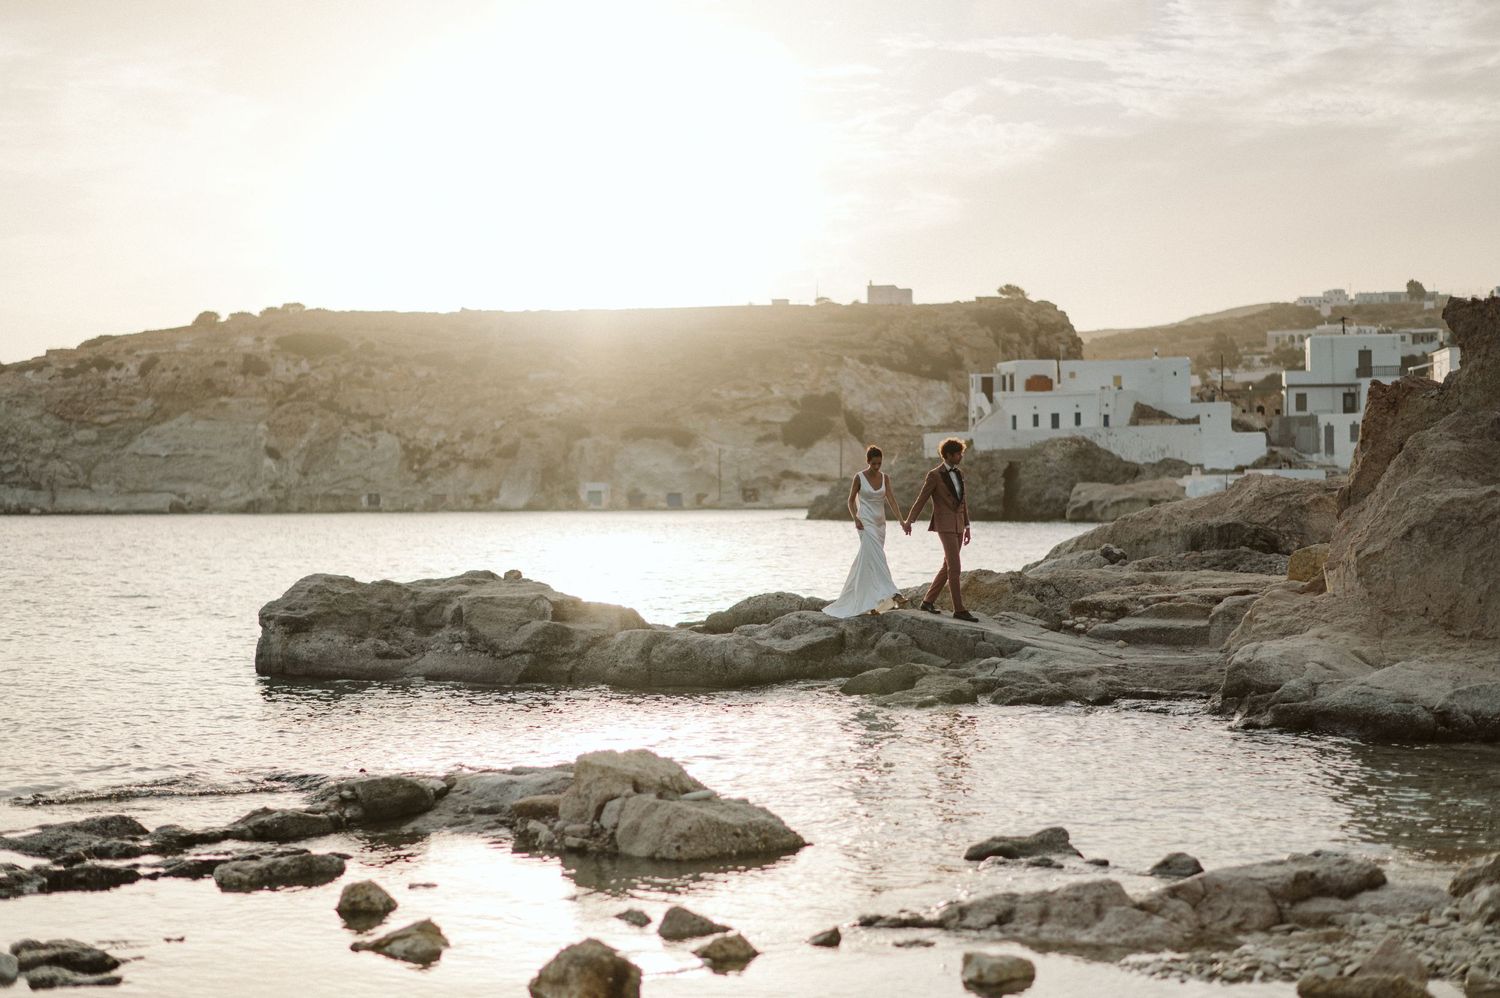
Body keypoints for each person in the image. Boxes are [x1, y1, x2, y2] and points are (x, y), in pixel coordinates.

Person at [822, 445, 912, 618]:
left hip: (880, 524)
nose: (877, 466)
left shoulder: (885, 478)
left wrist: (902, 521)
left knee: (869, 562)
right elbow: (850, 501)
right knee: (878, 557)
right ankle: (895, 594)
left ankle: (871, 604)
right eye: (874, 463)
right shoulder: (859, 477)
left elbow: (892, 500)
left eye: (879, 463)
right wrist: (855, 518)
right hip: (865, 523)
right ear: (868, 461)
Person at [904, 437, 978, 621]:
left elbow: (963, 501)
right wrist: (909, 520)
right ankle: (959, 609)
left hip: (959, 524)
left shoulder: (959, 473)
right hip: (944, 525)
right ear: (948, 455)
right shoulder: (934, 475)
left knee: (947, 566)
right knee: (955, 566)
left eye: (961, 453)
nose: (961, 456)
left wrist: (967, 526)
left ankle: (927, 601)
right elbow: (921, 499)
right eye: (958, 453)